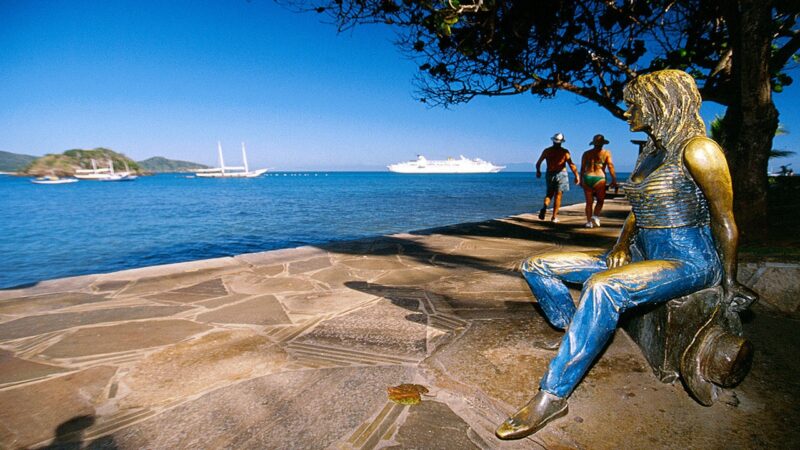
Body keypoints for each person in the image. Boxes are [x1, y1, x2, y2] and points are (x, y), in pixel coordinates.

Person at [495, 70, 758, 440]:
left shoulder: (700, 150)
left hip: (690, 262)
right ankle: (576, 332)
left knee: (604, 287)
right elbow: (639, 210)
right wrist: (620, 245)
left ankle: (553, 395)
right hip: (640, 254)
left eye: (634, 103)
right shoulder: (650, 152)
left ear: (660, 104)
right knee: (536, 265)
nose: (627, 111)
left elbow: (725, 220)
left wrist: (729, 282)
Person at [535, 133, 580, 223]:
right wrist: (576, 175)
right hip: (561, 174)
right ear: (561, 142)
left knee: (549, 194)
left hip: (550, 173)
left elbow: (538, 163)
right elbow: (571, 164)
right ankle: (554, 217)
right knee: (558, 196)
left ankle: (544, 207)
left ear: (553, 141)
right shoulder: (564, 152)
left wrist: (538, 171)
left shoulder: (547, 151)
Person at [580, 134, 618, 228]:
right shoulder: (606, 153)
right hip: (599, 178)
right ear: (603, 144)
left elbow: (582, 168)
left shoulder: (586, 153)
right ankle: (595, 216)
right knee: (600, 200)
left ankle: (589, 222)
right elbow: (610, 166)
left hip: (588, 177)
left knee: (589, 202)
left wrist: (581, 180)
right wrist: (614, 179)